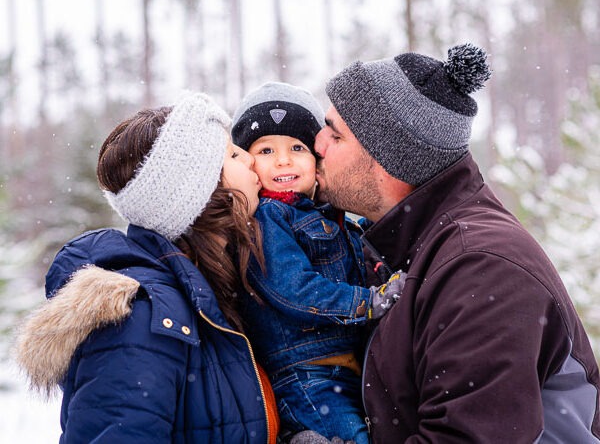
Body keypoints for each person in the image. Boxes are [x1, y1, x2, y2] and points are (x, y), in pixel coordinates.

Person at [313, 43, 600, 443]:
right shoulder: (412, 247)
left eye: (335, 134)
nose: (318, 144)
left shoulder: (482, 270)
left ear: (387, 160)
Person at [14, 91, 280, 443]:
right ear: (201, 190)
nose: (248, 159)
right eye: (231, 154)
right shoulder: (141, 321)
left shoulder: (212, 297)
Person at [231, 82, 406, 444]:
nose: (283, 160)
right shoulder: (267, 219)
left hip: (346, 368)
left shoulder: (332, 217)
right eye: (266, 150)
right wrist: (366, 302)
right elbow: (292, 288)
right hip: (309, 375)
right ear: (248, 163)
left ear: (316, 159)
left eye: (297, 147)